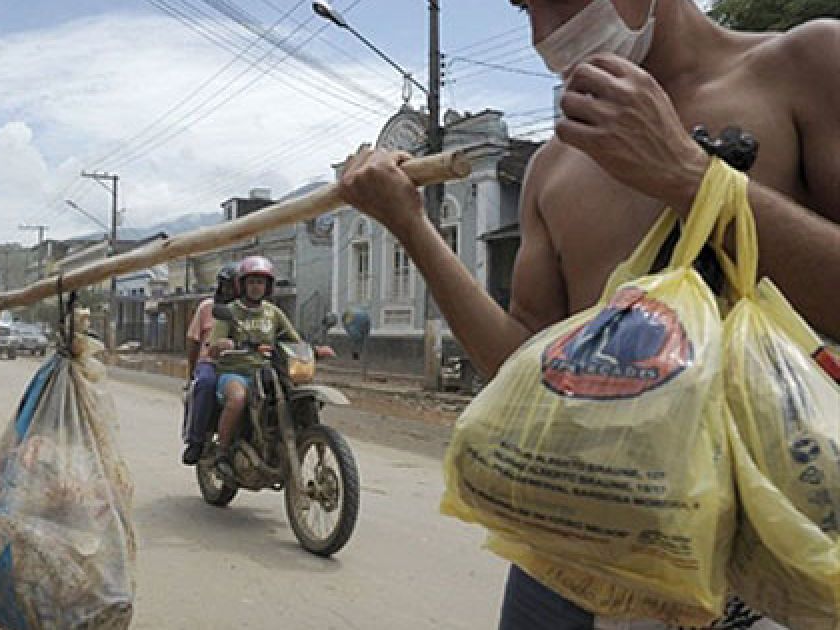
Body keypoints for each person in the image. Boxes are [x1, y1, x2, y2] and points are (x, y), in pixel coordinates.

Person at [337, 2, 839, 628]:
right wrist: (409, 225)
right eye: (525, 5)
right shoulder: (556, 163)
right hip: (568, 539)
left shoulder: (807, 64)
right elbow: (520, 370)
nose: (543, 33)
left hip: (757, 552)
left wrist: (688, 176)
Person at [207, 255, 302, 480]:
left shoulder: (273, 313)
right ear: (242, 285)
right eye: (251, 282)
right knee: (238, 399)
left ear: (268, 286)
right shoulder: (229, 311)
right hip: (235, 372)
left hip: (267, 373)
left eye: (261, 282)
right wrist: (223, 344)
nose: (256, 287)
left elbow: (294, 339)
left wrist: (314, 349)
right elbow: (213, 346)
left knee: (296, 395)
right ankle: (221, 452)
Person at [181, 262, 239, 465]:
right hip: (212, 362)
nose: (228, 290)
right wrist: (192, 370)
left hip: (243, 363)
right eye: (225, 285)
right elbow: (193, 341)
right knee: (205, 383)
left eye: (233, 285)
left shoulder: (255, 310)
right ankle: (196, 441)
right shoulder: (208, 307)